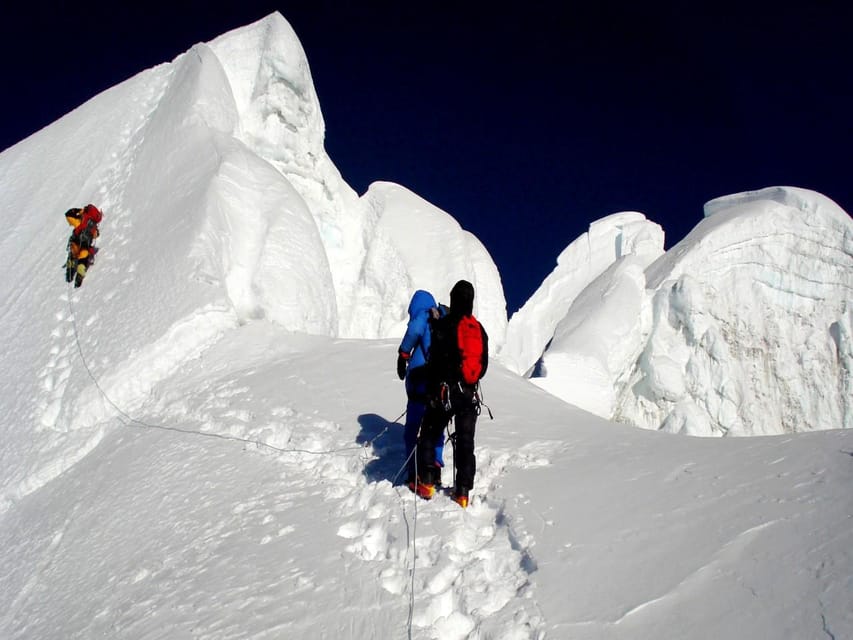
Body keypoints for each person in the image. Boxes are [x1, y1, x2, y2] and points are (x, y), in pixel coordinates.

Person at [416, 280, 488, 508]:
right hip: (468, 393)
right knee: (466, 441)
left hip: (445, 391)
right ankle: (463, 491)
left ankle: (426, 482)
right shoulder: (478, 329)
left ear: (454, 299)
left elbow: (435, 359)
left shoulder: (446, 324)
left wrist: (433, 386)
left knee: (430, 429)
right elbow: (483, 365)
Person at [397, 290, 446, 488]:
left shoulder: (425, 314)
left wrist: (403, 354)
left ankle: (413, 473)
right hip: (441, 382)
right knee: (436, 425)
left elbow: (414, 330)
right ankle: (435, 468)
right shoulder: (444, 318)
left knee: (413, 427)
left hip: (420, 380)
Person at [65, 204, 102, 288]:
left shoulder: (80, 220)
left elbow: (68, 214)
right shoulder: (93, 227)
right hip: (85, 246)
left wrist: (78, 210)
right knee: (84, 254)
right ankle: (80, 272)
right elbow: (96, 235)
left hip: (76, 242)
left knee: (73, 252)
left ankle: (70, 268)